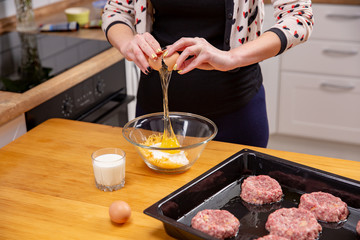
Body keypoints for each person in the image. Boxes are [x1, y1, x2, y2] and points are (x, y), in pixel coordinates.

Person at [102, 0, 314, 147]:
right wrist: (128, 43)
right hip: (155, 118)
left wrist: (232, 57)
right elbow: (116, 10)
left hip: (235, 115)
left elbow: (298, 16)